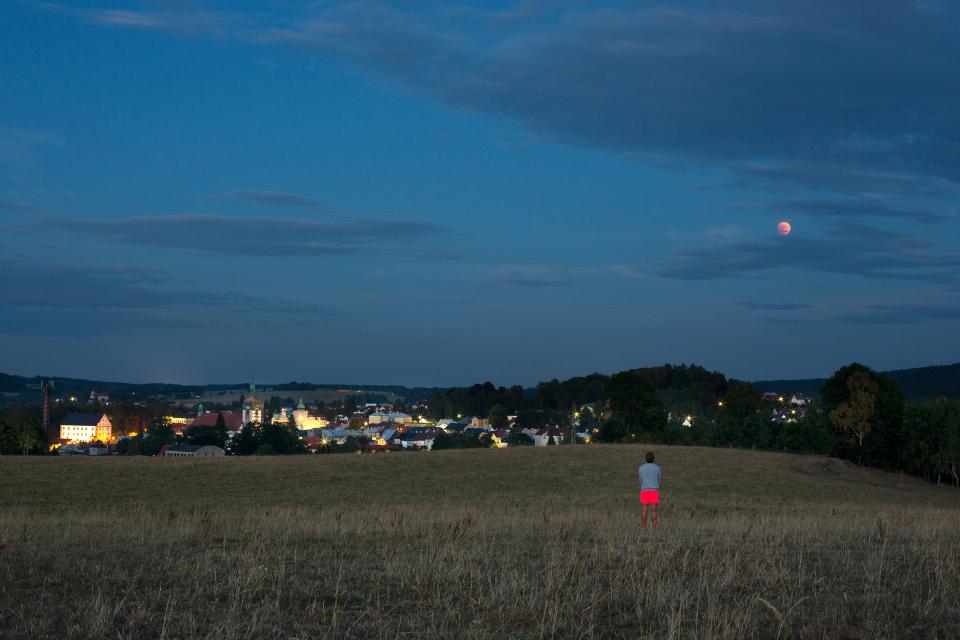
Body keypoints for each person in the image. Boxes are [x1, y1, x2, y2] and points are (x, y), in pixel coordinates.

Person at [638, 451, 661, 528]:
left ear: (646, 458)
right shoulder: (657, 468)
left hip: (644, 489)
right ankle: (654, 528)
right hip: (654, 489)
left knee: (644, 509)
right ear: (653, 458)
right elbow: (659, 479)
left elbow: (640, 480)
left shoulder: (641, 468)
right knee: (654, 509)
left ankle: (643, 527)